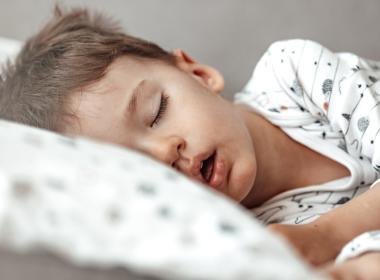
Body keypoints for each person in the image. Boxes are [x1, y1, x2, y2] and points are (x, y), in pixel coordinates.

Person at [1, 6, 380, 279]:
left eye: (157, 111)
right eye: (139, 166)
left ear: (198, 74)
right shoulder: (250, 233)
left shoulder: (296, 77)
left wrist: (326, 235)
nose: (164, 152)